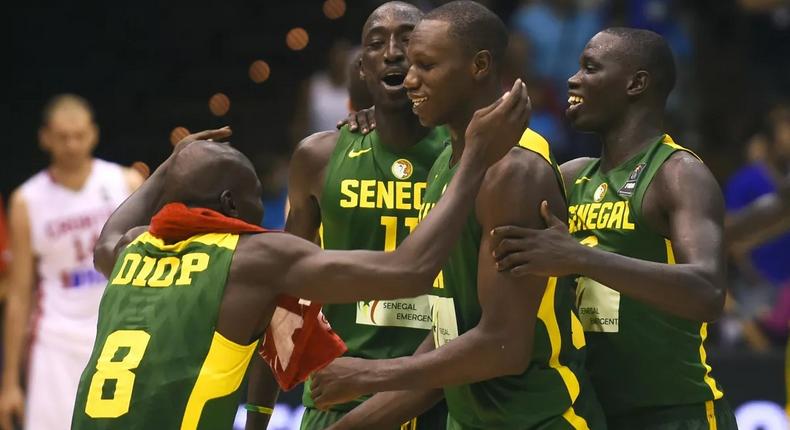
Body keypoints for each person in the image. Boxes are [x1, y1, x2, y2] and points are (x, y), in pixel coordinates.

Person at [69, 72, 530, 430]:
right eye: (256, 197)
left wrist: (170, 166)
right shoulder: (254, 256)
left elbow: (106, 239)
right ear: (232, 204)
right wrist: (473, 158)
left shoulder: (132, 250)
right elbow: (410, 270)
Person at [310, 2, 604, 429]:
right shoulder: (449, 161)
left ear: (479, 66)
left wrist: (370, 373)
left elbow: (504, 345)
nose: (409, 80)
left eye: (426, 66)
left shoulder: (514, 171)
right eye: (410, 66)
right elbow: (451, 328)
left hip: (539, 419)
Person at [489, 28, 738, 428]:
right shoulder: (571, 177)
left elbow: (708, 292)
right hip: (589, 412)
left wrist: (580, 257)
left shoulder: (678, 173)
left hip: (675, 413)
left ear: (636, 84)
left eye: (590, 68)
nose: (573, 79)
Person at [287, 3, 450, 429]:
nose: (394, 52)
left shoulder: (470, 153)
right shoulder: (318, 156)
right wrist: (259, 412)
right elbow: (287, 295)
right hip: (340, 394)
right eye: (377, 44)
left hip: (446, 398)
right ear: (361, 68)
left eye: (409, 40)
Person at [0, 94, 145, 430]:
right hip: (55, 343)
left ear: (93, 134)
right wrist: (9, 383)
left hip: (118, 334)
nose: (72, 145)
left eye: (79, 135)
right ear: (45, 138)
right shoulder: (27, 200)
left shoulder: (125, 183)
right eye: (63, 137)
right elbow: (20, 294)